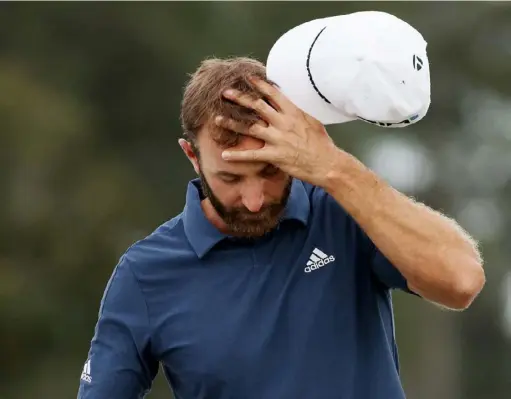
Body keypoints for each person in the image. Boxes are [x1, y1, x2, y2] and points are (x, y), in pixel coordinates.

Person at [77, 13, 484, 399]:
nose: (254, 202)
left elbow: (461, 281)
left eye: (271, 171)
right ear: (192, 156)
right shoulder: (145, 272)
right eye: (231, 178)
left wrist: (336, 168)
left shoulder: (344, 212)